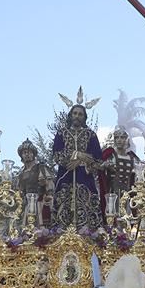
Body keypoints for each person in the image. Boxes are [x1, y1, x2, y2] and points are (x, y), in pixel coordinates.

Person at [53, 89, 104, 229]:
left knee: (87, 211)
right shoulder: (61, 133)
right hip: (65, 176)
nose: (77, 116)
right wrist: (78, 154)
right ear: (70, 115)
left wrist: (82, 161)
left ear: (84, 117)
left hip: (85, 179)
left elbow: (98, 159)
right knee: (63, 211)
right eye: (75, 113)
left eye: (80, 114)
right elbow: (57, 155)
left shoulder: (90, 135)